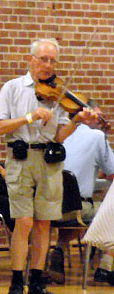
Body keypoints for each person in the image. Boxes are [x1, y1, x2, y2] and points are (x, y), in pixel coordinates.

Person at [0, 38, 97, 294]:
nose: (48, 66)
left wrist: (76, 120)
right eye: (43, 59)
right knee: (24, 221)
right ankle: (16, 281)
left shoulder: (59, 93)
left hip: (49, 160)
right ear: (31, 59)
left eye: (53, 60)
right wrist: (30, 117)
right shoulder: (12, 88)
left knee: (43, 223)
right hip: (21, 158)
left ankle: (36, 281)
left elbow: (60, 135)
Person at [49, 100, 114, 284]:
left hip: (51, 209)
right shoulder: (96, 137)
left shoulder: (59, 135)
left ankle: (60, 248)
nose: (100, 120)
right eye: (98, 115)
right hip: (77, 208)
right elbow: (112, 171)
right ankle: (105, 265)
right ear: (87, 115)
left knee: (78, 209)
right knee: (102, 211)